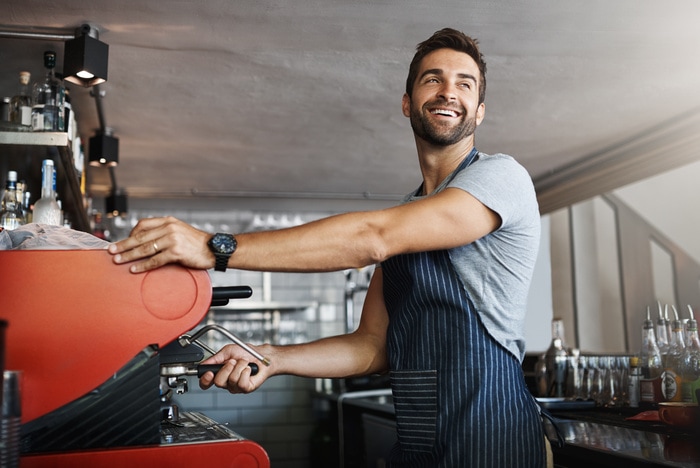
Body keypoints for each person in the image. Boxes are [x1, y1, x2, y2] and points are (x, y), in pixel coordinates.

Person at [109, 27, 550, 467]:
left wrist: (215, 248)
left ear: (480, 111)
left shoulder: (501, 178)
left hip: (496, 441)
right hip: (421, 450)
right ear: (407, 102)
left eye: (464, 83)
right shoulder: (407, 215)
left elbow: (373, 239)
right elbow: (373, 346)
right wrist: (272, 358)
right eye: (432, 79)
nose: (448, 92)